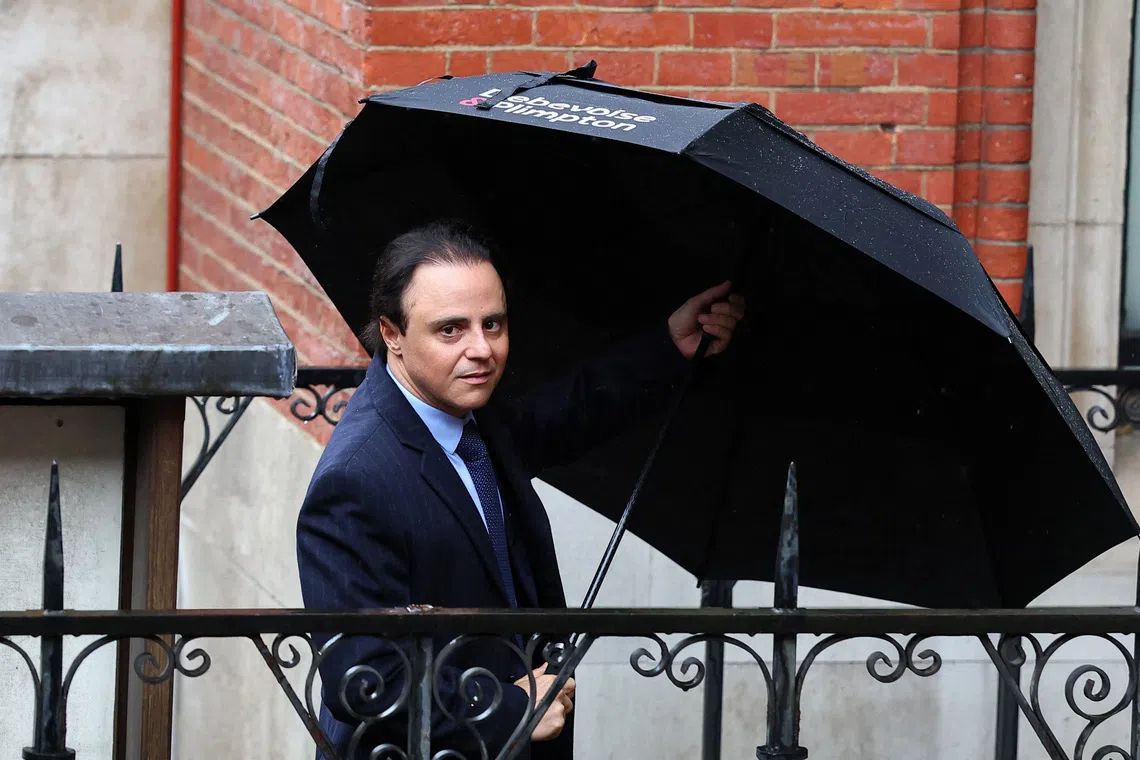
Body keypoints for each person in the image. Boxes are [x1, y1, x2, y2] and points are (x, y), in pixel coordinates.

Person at [297, 222, 745, 760]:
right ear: (392, 334)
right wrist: (509, 709)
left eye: (494, 324)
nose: (481, 349)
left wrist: (670, 347)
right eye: (451, 330)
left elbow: (565, 414)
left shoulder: (472, 415)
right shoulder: (355, 481)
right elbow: (365, 681)